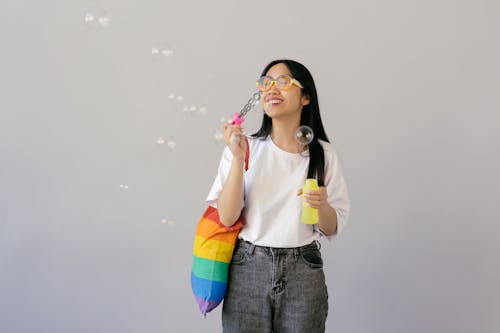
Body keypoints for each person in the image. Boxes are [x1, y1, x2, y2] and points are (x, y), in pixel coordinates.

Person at [206, 59, 350, 333]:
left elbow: (331, 226)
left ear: (305, 97)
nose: (273, 88)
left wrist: (322, 206)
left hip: (303, 270)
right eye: (266, 83)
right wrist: (238, 159)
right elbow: (227, 216)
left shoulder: (323, 155)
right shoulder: (244, 147)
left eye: (284, 82)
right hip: (247, 267)